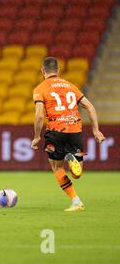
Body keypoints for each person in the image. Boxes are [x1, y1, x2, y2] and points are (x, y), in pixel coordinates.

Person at [30, 57, 105, 211]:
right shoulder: (71, 87)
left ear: (42, 71)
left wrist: (37, 136)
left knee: (57, 169)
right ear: (58, 70)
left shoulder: (40, 88)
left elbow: (38, 115)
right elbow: (90, 107)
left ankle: (76, 201)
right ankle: (72, 160)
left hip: (56, 131)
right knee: (77, 174)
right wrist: (96, 130)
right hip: (75, 130)